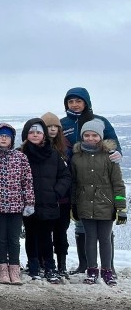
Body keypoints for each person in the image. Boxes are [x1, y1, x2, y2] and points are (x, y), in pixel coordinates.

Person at [70, 119, 126, 286]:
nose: (90, 138)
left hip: (106, 205)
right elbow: (74, 183)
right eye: (87, 135)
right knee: (90, 238)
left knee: (105, 239)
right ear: (82, 137)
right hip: (85, 205)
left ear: (100, 137)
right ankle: (92, 270)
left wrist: (121, 207)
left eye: (94, 135)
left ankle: (107, 271)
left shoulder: (110, 158)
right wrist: (73, 205)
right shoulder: (76, 158)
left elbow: (118, 184)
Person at [19, 118, 71, 283]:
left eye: (39, 132)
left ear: (44, 135)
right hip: (27, 203)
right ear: (26, 134)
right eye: (31, 132)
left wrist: (56, 193)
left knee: (46, 237)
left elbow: (65, 176)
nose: (35, 135)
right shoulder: (20, 154)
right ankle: (33, 266)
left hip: (49, 203)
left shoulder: (53, 153)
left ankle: (50, 267)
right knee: (31, 235)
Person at [0, 123, 34, 285]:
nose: (3, 138)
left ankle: (14, 269)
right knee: (0, 239)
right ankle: (2, 269)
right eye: (1, 135)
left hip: (16, 206)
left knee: (14, 239)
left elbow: (27, 181)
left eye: (7, 136)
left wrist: (29, 202)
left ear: (12, 139)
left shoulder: (20, 157)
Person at [42, 111, 73, 277]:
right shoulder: (36, 148)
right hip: (43, 200)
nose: (53, 129)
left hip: (62, 199)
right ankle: (44, 264)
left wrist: (59, 192)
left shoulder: (67, 149)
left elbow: (69, 174)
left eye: (55, 126)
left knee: (61, 233)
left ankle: (62, 265)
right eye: (49, 126)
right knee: (43, 233)